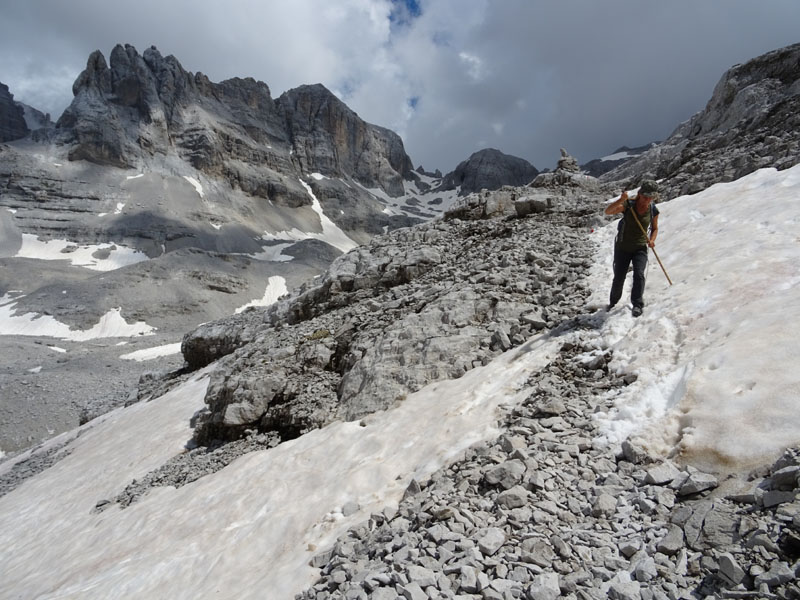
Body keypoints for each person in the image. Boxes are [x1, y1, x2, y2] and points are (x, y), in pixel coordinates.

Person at [604, 179, 660, 317]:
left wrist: (652, 240)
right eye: (646, 196)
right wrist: (620, 200)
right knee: (619, 277)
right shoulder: (629, 205)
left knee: (639, 274)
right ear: (640, 194)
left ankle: (637, 304)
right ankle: (613, 301)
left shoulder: (653, 210)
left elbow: (655, 228)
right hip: (623, 247)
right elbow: (608, 211)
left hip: (640, 247)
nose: (647, 200)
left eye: (651, 197)